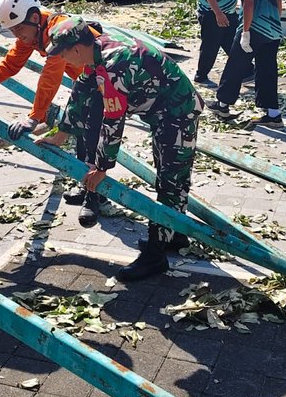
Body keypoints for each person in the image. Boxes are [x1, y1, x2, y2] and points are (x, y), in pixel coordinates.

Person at [37, 17, 203, 282]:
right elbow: (80, 93)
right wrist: (60, 134)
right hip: (161, 111)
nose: (64, 59)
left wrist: (101, 167)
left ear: (77, 49)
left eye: (64, 54)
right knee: (168, 174)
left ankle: (156, 255)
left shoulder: (114, 67)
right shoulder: (96, 54)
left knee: (171, 179)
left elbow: (113, 121)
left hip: (177, 112)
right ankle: (174, 234)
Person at [0, 0, 105, 227]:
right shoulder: (32, 33)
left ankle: (95, 198)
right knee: (80, 137)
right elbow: (11, 63)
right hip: (84, 86)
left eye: (18, 30)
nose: (17, 36)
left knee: (93, 138)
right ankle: (85, 186)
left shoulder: (58, 29)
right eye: (13, 31)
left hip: (103, 85)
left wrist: (35, 117)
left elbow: (50, 76)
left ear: (34, 18)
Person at [206, 0, 284, 129]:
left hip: (254, 26)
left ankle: (222, 105)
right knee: (267, 68)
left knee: (236, 65)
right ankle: (272, 113)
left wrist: (246, 32)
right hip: (273, 26)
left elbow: (248, 3)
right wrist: (277, 20)